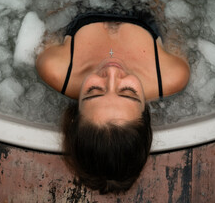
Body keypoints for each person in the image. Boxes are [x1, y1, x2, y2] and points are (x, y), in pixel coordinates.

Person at [35, 10, 190, 194]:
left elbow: (54, 7)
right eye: (128, 91)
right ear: (145, 111)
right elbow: (170, 10)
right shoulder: (170, 74)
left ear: (76, 111)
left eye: (94, 90)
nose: (112, 73)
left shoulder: (56, 69)